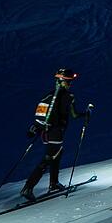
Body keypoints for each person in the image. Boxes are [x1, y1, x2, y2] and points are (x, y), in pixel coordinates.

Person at [20, 69, 91, 202]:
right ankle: (28, 187)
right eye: (68, 82)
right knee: (49, 157)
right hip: (55, 131)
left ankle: (53, 183)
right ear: (62, 81)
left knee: (57, 154)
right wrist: (85, 114)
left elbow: (40, 116)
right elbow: (74, 115)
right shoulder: (68, 97)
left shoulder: (49, 96)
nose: (70, 85)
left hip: (46, 133)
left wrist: (35, 128)